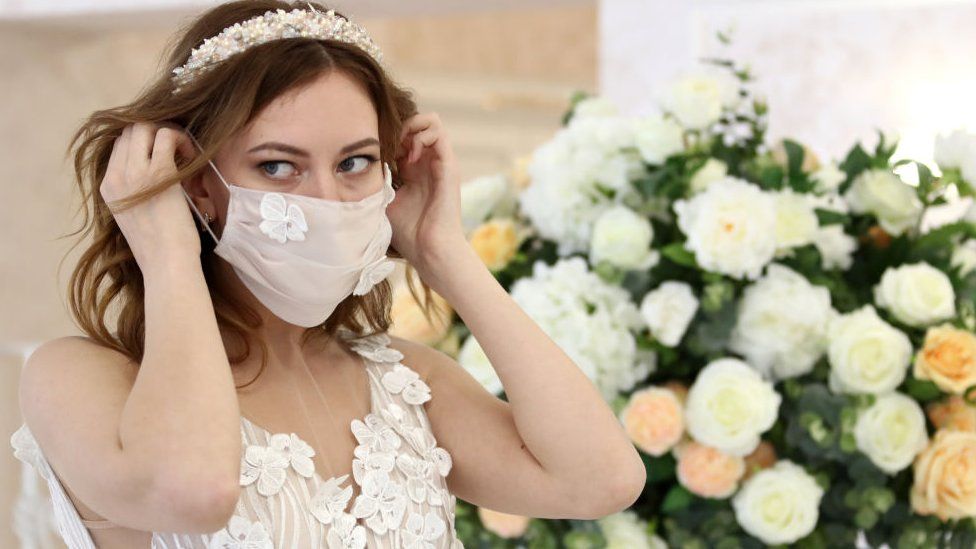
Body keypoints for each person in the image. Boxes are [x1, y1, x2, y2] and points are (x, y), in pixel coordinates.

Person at [10, 1, 646, 547]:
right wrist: (168, 250)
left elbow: (601, 480)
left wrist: (443, 250)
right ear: (200, 183)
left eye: (355, 162)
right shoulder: (80, 376)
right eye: (279, 167)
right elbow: (193, 492)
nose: (328, 200)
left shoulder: (405, 382)